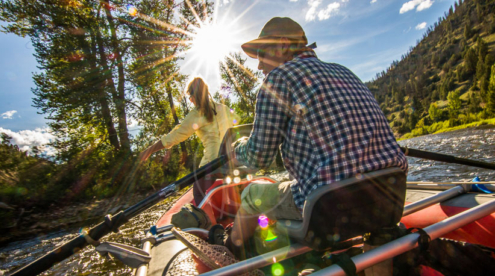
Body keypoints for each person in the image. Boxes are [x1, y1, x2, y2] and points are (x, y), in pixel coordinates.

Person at [221, 17, 408, 255]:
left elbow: (259, 158)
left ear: (281, 45)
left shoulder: (278, 79)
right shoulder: (343, 71)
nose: (259, 66)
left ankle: (229, 253)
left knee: (250, 195)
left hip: (330, 205)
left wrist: (235, 152)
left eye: (261, 54)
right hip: (390, 193)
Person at [140, 77, 238, 205]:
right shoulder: (222, 108)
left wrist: (149, 150)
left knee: (197, 192)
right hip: (231, 160)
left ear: (194, 96)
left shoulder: (197, 114)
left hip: (212, 163)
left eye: (190, 98)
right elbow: (237, 119)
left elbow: (175, 136)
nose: (191, 101)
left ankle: (208, 223)